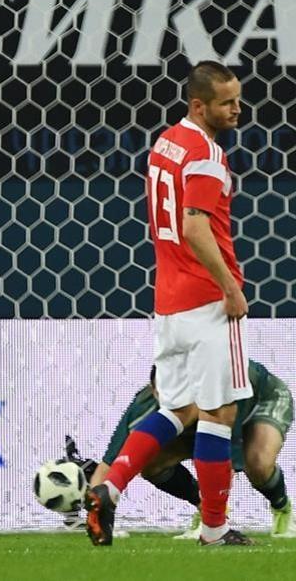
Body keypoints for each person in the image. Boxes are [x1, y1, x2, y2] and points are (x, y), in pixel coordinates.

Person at [86, 61, 251, 547]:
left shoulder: (166, 143)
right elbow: (195, 225)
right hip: (206, 299)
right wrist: (229, 287)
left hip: (169, 301)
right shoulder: (205, 152)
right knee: (219, 413)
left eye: (238, 99)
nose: (237, 109)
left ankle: (110, 488)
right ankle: (215, 529)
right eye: (227, 102)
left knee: (177, 409)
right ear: (199, 105)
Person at [90, 362, 293, 538]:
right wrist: (96, 517)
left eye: (179, 391)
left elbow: (227, 460)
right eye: (166, 393)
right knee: (150, 464)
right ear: (154, 391)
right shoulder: (142, 409)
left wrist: (213, 521)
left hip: (262, 400)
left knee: (257, 463)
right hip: (201, 422)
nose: (174, 399)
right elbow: (109, 465)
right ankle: (201, 506)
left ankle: (281, 507)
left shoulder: (218, 395)